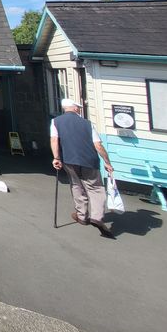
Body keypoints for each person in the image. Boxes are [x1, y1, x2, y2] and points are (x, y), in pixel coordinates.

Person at [51, 97, 115, 238]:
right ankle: (97, 217)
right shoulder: (87, 123)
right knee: (95, 188)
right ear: (73, 108)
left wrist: (56, 158)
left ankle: (82, 215)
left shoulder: (55, 122)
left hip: (69, 159)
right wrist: (107, 162)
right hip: (89, 160)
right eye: (78, 107)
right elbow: (98, 145)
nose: (79, 109)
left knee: (76, 185)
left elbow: (54, 139)